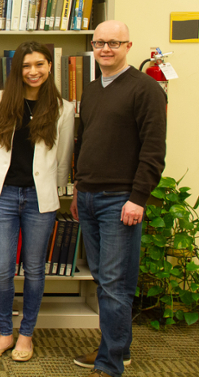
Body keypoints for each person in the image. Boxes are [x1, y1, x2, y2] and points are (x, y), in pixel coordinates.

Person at [0, 41, 75, 362]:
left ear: (50, 66)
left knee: (35, 270)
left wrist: (59, 190)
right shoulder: (0, 100)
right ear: (17, 70)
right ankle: (5, 333)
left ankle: (27, 334)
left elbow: (63, 158)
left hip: (41, 198)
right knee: (2, 270)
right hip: (4, 196)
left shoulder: (63, 109)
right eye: (26, 66)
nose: (33, 71)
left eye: (39, 64)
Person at [71, 20, 166, 377]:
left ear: (128, 45)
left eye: (113, 42)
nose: (105, 49)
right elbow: (86, 142)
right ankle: (119, 350)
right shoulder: (93, 89)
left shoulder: (146, 89)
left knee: (112, 283)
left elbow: (154, 150)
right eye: (99, 43)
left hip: (121, 200)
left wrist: (138, 197)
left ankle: (109, 364)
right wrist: (79, 189)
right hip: (91, 197)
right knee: (110, 281)